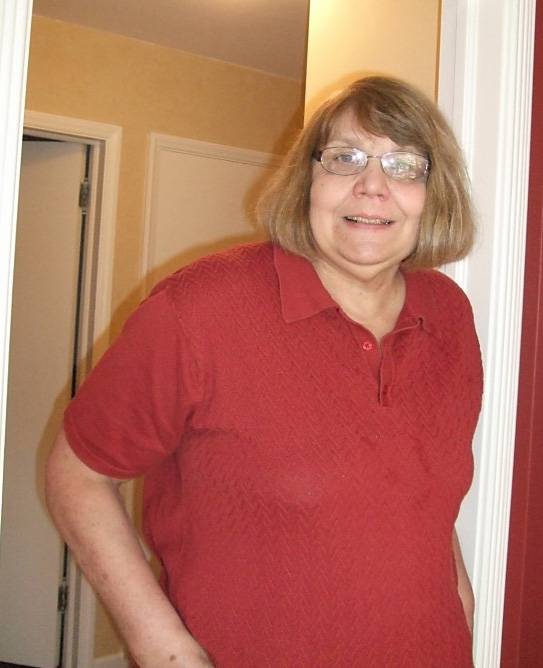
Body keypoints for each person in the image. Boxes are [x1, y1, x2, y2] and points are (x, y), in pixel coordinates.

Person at [45, 75, 483, 668]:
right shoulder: (199, 309)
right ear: (307, 180)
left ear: (436, 193)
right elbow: (78, 474)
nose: (372, 186)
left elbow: (421, 495)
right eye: (345, 158)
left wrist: (461, 605)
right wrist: (162, 649)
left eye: (405, 166)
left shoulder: (449, 314)